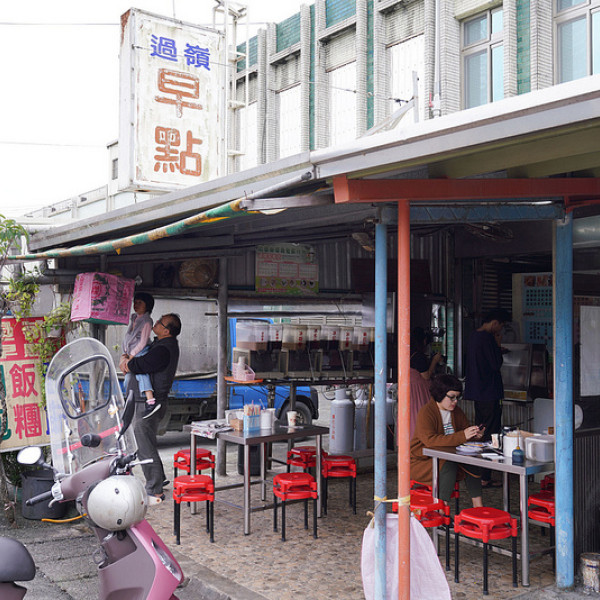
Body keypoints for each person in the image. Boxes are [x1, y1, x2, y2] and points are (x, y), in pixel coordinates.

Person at [121, 313, 181, 503]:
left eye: (160, 322)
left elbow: (141, 364)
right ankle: (159, 479)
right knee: (147, 442)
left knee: (144, 444)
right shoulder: (161, 344)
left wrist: (128, 362)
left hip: (151, 403)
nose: (156, 322)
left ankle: (155, 490)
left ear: (166, 331)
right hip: (147, 401)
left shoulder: (164, 348)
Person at [410, 374, 483, 507]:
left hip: (448, 456)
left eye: (457, 397)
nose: (455, 401)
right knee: (449, 463)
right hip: (424, 461)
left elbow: (464, 434)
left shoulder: (457, 412)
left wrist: (474, 435)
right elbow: (430, 441)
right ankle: (441, 508)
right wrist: (463, 435)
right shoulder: (426, 412)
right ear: (440, 394)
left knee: (472, 461)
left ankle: (478, 506)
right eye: (452, 397)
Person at [464, 308, 510, 488]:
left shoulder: (474, 336)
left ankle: (479, 472)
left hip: (477, 392)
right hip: (490, 392)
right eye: (501, 326)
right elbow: (496, 364)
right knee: (491, 433)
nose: (500, 330)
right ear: (495, 323)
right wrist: (498, 345)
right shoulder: (488, 338)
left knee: (480, 430)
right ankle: (485, 475)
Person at [121, 292, 160, 419]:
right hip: (131, 352)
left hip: (140, 352)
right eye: (135, 302)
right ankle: (128, 400)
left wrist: (131, 357)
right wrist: (125, 353)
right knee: (128, 377)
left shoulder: (147, 321)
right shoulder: (134, 318)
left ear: (147, 305)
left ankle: (150, 400)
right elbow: (128, 337)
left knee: (141, 373)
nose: (136, 305)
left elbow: (142, 342)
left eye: (140, 303)